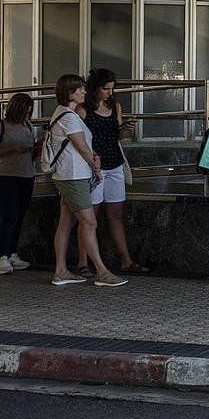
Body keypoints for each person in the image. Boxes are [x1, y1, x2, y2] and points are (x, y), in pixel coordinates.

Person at [47, 74, 127, 287]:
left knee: (66, 222)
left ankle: (61, 270)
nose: (84, 92)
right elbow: (81, 146)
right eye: (80, 89)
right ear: (70, 93)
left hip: (69, 175)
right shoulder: (70, 117)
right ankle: (101, 271)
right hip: (73, 176)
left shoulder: (63, 113)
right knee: (89, 222)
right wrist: (95, 166)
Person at [74, 68, 147, 276]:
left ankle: (126, 259)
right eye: (105, 89)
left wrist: (125, 128)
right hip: (93, 167)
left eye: (111, 89)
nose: (109, 92)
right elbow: (80, 141)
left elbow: (117, 135)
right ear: (94, 88)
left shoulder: (114, 105)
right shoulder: (82, 109)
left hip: (114, 163)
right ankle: (83, 262)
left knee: (116, 213)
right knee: (90, 218)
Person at [0, 93, 38, 275]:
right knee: (9, 216)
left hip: (26, 174)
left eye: (29, 110)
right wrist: (13, 149)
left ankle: (12, 252)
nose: (27, 113)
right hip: (5, 175)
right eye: (25, 109)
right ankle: (1, 256)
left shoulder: (29, 126)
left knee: (19, 216)